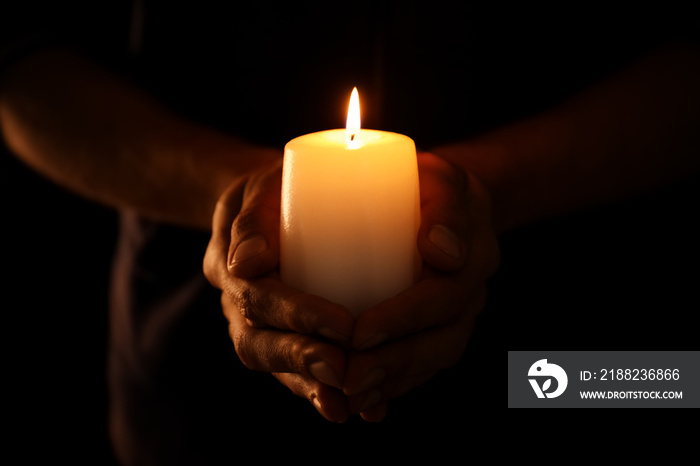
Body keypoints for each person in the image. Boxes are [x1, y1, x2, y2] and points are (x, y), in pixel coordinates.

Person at [2, 1, 699, 463]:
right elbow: (23, 61)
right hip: (195, 393)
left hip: (591, 369)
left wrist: (479, 193)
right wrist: (245, 198)